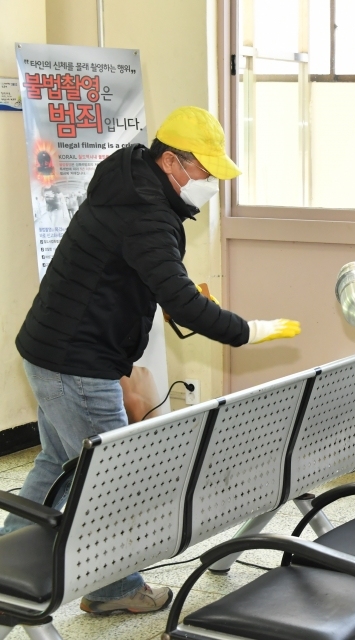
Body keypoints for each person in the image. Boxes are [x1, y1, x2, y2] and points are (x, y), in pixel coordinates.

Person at [4, 106, 301, 615]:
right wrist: (246, 331)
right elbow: (182, 300)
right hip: (76, 362)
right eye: (205, 171)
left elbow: (141, 279)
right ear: (171, 162)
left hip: (54, 349)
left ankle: (7, 562)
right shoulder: (144, 210)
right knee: (112, 479)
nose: (210, 182)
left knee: (60, 463)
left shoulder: (132, 186)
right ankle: (114, 589)